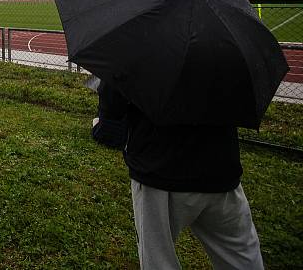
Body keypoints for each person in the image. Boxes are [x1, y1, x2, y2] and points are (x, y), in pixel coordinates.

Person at [91, 78, 263, 269]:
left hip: (161, 172)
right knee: (243, 258)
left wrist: (106, 123)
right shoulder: (224, 51)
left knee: (158, 259)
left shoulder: (141, 50)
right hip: (220, 166)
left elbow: (114, 94)